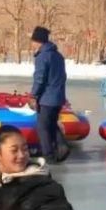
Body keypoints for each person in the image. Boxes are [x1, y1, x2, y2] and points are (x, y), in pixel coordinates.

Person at [28, 26, 69, 163]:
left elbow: (39, 78)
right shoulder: (58, 56)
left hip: (46, 98)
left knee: (42, 127)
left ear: (37, 41)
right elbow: (63, 76)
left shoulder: (42, 56)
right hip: (58, 97)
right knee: (51, 124)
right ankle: (61, 147)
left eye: (33, 41)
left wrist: (33, 95)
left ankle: (48, 155)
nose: (32, 44)